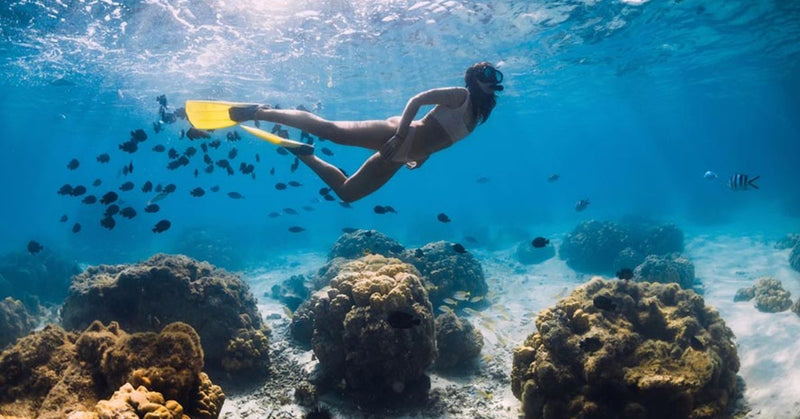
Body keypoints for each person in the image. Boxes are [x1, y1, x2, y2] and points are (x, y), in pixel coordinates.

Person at [229, 61, 503, 203]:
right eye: (488, 75)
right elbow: (417, 100)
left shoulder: (477, 115)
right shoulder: (461, 95)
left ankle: (304, 153)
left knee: (348, 193)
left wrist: (423, 157)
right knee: (332, 131)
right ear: (474, 80)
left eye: (495, 77)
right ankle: (258, 112)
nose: (494, 80)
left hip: (401, 156)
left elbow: (440, 137)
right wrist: (400, 135)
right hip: (398, 134)